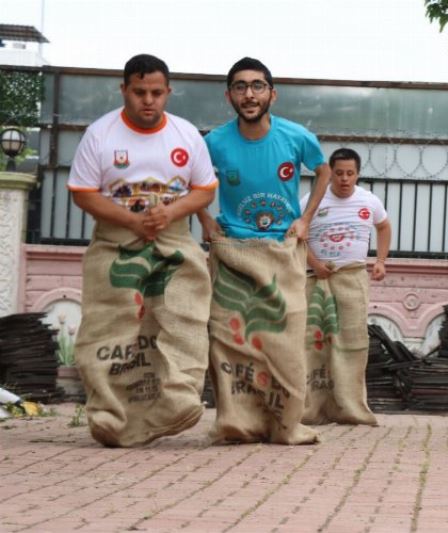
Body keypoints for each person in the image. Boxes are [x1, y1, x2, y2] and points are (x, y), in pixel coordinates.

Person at [67, 54, 218, 447]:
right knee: (108, 325)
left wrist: (168, 212)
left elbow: (205, 188)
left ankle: (178, 402)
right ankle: (110, 417)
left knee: (184, 318)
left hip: (174, 238)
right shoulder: (101, 134)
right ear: (124, 91)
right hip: (115, 240)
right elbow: (82, 192)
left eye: (155, 92)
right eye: (139, 92)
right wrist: (132, 220)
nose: (147, 101)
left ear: (168, 92)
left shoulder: (185, 135)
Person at [198, 57, 330, 444]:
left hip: (281, 251)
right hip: (233, 250)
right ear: (229, 96)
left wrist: (305, 219)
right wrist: (206, 221)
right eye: (240, 87)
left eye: (257, 86)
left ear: (272, 93)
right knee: (228, 338)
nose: (249, 94)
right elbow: (191, 182)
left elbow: (322, 170)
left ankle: (285, 423)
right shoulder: (214, 142)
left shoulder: (295, 137)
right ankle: (237, 422)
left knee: (284, 338)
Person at [301, 147, 391, 426]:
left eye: (350, 173)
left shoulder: (369, 201)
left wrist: (381, 260)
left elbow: (384, 226)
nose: (344, 179)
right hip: (317, 279)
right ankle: (312, 408)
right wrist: (315, 264)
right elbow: (296, 236)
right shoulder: (312, 200)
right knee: (313, 342)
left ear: (358, 174)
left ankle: (350, 407)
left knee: (352, 342)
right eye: (338, 173)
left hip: (352, 279)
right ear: (330, 174)